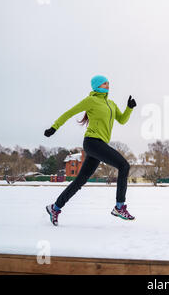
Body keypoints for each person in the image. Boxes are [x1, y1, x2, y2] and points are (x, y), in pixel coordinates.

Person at [43, 75, 137, 226]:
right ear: (98, 85)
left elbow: (122, 120)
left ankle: (55, 207)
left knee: (80, 180)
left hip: (100, 144)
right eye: (105, 83)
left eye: (108, 82)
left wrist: (129, 108)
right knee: (124, 165)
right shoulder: (91, 100)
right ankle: (119, 207)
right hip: (92, 143)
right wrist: (54, 127)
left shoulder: (111, 103)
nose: (108, 84)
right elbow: (69, 112)